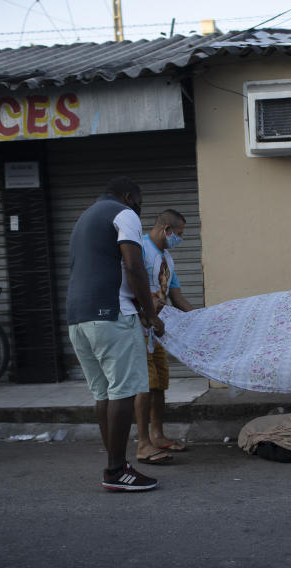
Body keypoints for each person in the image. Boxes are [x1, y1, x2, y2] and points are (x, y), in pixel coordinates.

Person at [66, 176, 165, 491]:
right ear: (128, 196)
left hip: (77, 319)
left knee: (103, 394)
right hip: (111, 315)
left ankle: (115, 466)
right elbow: (134, 265)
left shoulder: (84, 218)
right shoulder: (124, 213)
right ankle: (116, 471)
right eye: (139, 200)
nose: (139, 206)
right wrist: (150, 314)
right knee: (123, 392)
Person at [135, 209, 194, 465]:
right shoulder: (139, 249)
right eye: (178, 234)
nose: (179, 239)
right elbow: (130, 283)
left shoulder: (167, 260)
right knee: (144, 385)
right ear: (165, 230)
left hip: (156, 329)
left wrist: (204, 318)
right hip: (137, 326)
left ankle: (157, 435)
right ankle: (143, 442)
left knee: (159, 384)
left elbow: (177, 297)